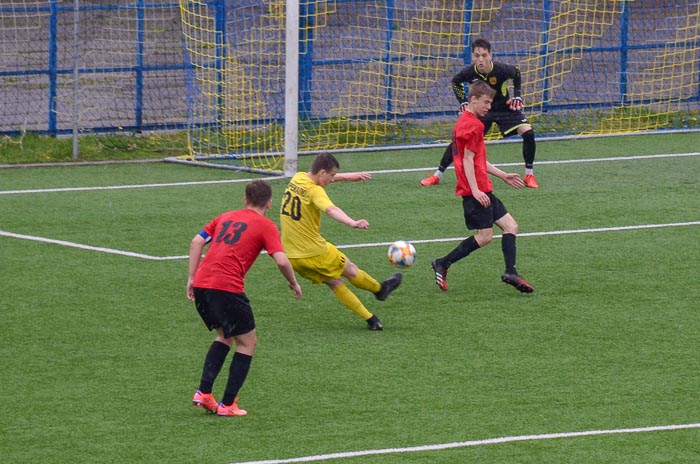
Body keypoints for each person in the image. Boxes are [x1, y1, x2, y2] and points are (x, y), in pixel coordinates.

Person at [188, 180, 302, 417]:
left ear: (245, 199)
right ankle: (228, 404)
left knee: (225, 336)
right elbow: (281, 260)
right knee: (247, 342)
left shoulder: (225, 216)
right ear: (269, 202)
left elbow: (197, 241)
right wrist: (293, 282)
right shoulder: (265, 225)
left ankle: (204, 392)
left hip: (202, 284)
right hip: (226, 287)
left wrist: (191, 278)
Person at [431, 81, 534, 294]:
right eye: (486, 102)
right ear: (474, 99)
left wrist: (503, 175)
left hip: (482, 188)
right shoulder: (473, 125)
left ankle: (510, 272)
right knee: (485, 236)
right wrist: (476, 190)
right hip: (475, 192)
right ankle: (443, 262)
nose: (489, 107)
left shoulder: (466, 121)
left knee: (511, 227)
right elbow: (467, 160)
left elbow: (478, 160)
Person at [280, 153, 402, 331]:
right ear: (322, 173)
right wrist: (353, 222)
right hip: (314, 251)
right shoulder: (316, 191)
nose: (331, 179)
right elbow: (331, 209)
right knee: (350, 269)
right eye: (331, 175)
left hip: (292, 256)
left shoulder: (298, 178)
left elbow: (321, 180)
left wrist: (346, 177)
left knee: (334, 282)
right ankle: (379, 289)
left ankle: (371, 319)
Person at [421, 37, 539, 189]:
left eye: (484, 55)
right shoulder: (470, 72)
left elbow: (516, 73)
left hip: (504, 108)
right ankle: (437, 175)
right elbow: (456, 81)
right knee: (460, 140)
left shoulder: (501, 69)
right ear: (472, 56)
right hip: (482, 112)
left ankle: (529, 174)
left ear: (490, 55)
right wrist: (463, 101)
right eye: (477, 55)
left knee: (528, 133)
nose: (481, 59)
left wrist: (517, 95)